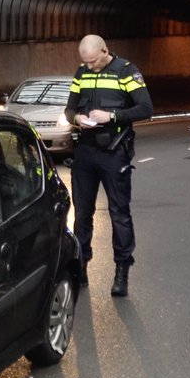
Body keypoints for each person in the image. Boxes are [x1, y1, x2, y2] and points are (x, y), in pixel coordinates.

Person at [64, 34, 153, 297]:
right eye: (86, 62)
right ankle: (81, 267)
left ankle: (122, 271)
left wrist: (112, 116)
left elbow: (145, 108)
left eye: (93, 61)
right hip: (85, 152)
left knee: (119, 213)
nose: (90, 66)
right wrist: (76, 117)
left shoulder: (126, 71)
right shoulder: (81, 73)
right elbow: (69, 109)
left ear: (105, 51)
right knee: (82, 214)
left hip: (114, 152)